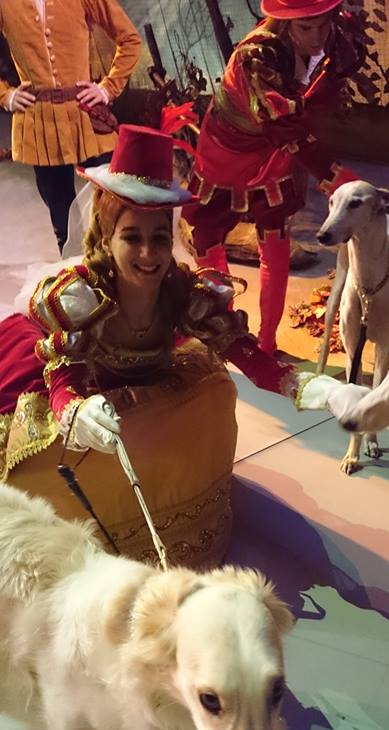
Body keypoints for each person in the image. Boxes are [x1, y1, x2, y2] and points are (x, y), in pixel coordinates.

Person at [0, 124, 298, 563]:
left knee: (213, 396)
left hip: (146, 387)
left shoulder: (181, 291)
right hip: (90, 390)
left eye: (159, 238)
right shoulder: (81, 297)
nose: (148, 254)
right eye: (131, 238)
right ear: (107, 237)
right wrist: (73, 410)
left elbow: (243, 351)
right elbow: (65, 379)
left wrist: (303, 386)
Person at [182, 0, 365, 355]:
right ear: (285, 23)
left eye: (322, 25)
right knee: (209, 235)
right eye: (305, 28)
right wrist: (340, 179)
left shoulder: (333, 36)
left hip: (272, 148)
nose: (316, 37)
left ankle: (267, 342)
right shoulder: (258, 57)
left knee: (276, 240)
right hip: (227, 149)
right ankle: (223, 332)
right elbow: (287, 128)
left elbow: (338, 63)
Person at [0, 0, 141, 252]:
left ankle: (118, 267)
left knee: (113, 205)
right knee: (62, 216)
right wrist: (6, 95)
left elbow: (130, 39)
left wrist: (108, 88)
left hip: (86, 117)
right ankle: (77, 268)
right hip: (40, 123)